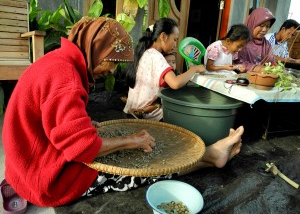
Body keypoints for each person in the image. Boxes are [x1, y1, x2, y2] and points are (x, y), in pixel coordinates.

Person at [2, 16, 244, 207]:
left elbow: (52, 121)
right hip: (44, 178)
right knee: (142, 169)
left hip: (28, 164)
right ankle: (212, 155)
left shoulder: (59, 62)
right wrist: (131, 141)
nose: (111, 72)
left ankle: (211, 155)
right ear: (96, 49)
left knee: (133, 152)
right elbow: (83, 148)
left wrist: (83, 125)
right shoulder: (66, 79)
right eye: (112, 62)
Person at [124, 18, 206, 121]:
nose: (175, 44)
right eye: (175, 39)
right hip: (145, 117)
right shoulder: (156, 56)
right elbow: (175, 83)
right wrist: (195, 68)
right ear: (163, 36)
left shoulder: (145, 52)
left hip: (131, 113)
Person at [234, 7, 276, 72]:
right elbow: (236, 61)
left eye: (267, 26)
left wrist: (275, 68)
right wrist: (256, 68)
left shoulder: (266, 45)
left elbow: (271, 62)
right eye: (261, 26)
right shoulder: (240, 40)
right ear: (252, 23)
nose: (264, 30)